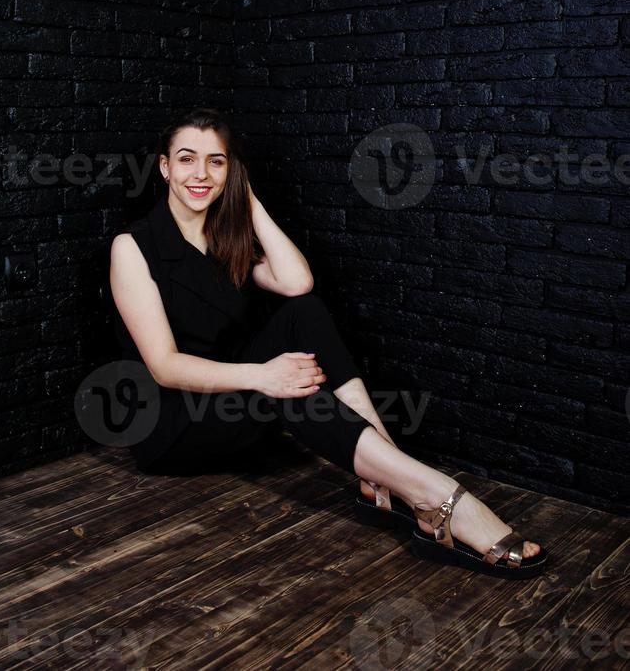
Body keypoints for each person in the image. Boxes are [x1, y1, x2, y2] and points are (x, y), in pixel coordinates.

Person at [109, 108, 548, 580]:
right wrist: (264, 376)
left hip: (234, 398)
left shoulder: (226, 236)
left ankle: (384, 476)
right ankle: (431, 493)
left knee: (306, 312)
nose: (200, 174)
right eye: (187, 159)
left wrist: (247, 202)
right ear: (164, 167)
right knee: (289, 389)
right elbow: (164, 367)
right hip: (177, 423)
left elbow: (297, 283)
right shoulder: (133, 246)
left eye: (216, 162)